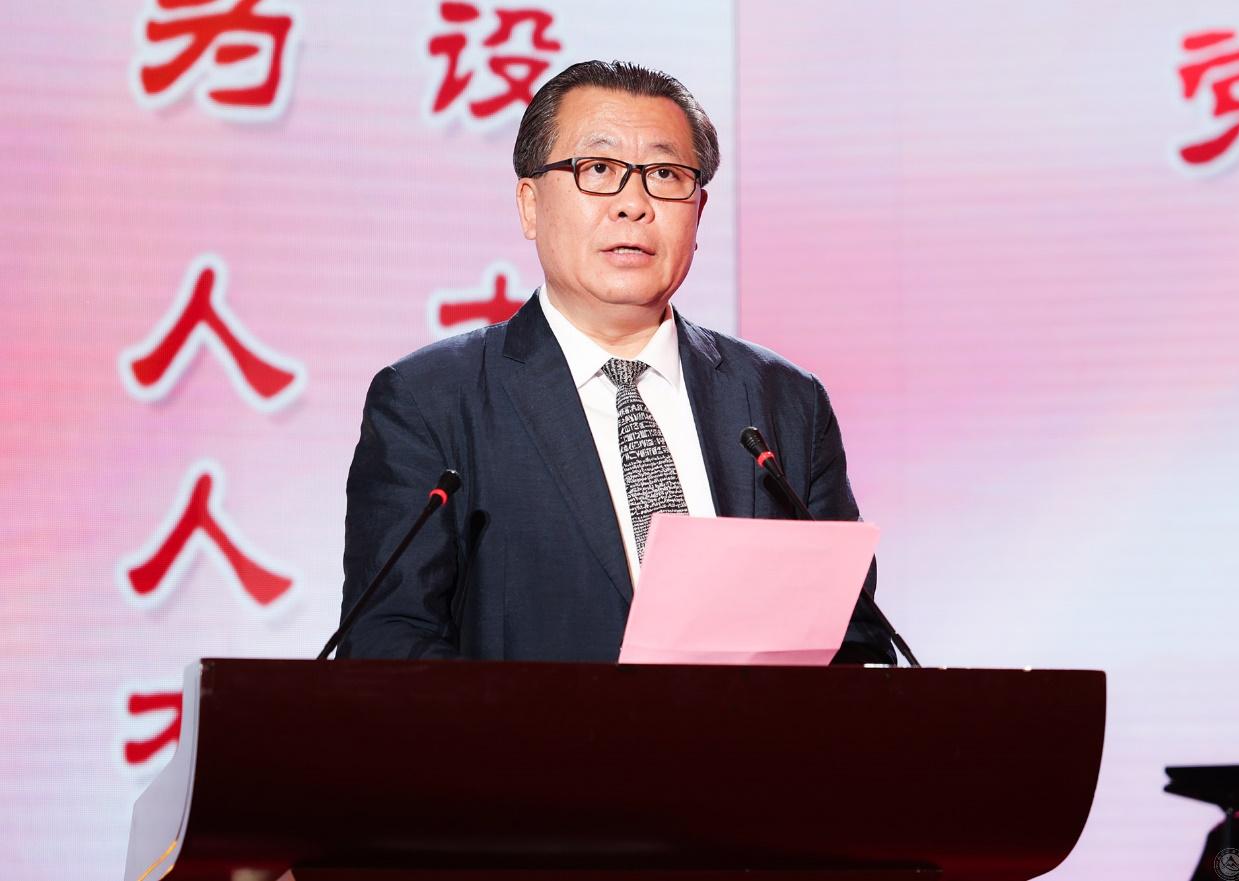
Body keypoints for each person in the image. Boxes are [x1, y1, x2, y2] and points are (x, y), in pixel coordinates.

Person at [338, 60, 896, 664]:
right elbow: (387, 643)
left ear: (699, 211)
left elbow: (852, 639)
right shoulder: (431, 401)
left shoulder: (786, 401)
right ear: (530, 205)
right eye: (598, 169)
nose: (633, 204)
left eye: (665, 174)